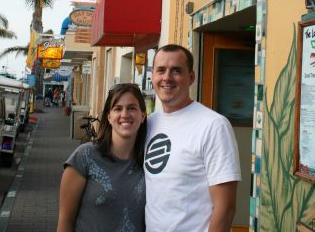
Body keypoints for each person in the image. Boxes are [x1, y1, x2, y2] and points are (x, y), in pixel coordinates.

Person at [144, 44, 241, 232]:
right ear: (153, 76)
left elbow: (226, 208)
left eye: (176, 71)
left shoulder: (213, 126)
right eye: (161, 70)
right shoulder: (149, 124)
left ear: (191, 78)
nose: (167, 78)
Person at [56, 83, 147, 232]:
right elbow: (65, 222)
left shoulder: (149, 163)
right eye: (118, 108)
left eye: (132, 108)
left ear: (142, 116)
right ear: (109, 117)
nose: (125, 114)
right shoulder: (84, 157)